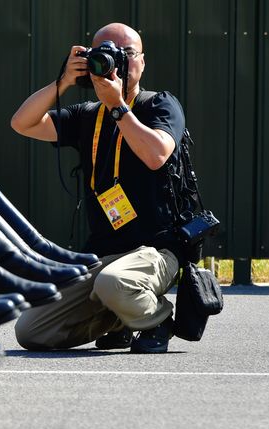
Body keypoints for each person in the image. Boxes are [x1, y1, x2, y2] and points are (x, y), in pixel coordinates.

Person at [10, 22, 185, 354]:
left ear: (142, 61)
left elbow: (157, 155)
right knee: (31, 330)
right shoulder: (87, 115)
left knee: (114, 282)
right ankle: (120, 320)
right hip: (104, 255)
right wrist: (63, 81)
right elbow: (22, 123)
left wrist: (118, 107)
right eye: (106, 54)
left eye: (127, 53)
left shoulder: (159, 105)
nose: (118, 61)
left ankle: (157, 320)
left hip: (157, 250)